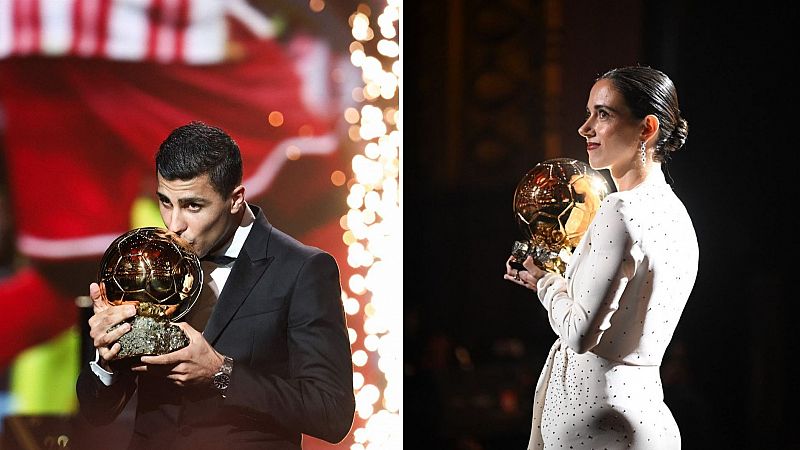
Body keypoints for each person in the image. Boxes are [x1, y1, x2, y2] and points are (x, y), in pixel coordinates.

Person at [76, 121, 356, 449]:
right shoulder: (151, 265)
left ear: (235, 199)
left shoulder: (302, 269)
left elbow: (331, 412)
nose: (174, 224)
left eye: (193, 206)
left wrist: (220, 373)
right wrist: (107, 362)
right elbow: (97, 412)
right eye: (166, 202)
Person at [505, 66, 698, 449]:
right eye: (589, 112)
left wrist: (546, 283)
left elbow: (580, 334)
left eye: (603, 114)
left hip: (594, 418)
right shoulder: (678, 215)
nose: (585, 127)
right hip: (644, 412)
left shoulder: (619, 208)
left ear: (647, 128)